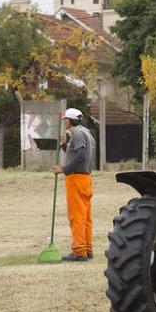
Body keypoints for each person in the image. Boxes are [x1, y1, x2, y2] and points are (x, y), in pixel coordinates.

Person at [52, 108, 95, 262]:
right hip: (85, 179)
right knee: (85, 217)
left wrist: (63, 169)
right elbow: (75, 155)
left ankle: (79, 252)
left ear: (70, 120)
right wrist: (64, 146)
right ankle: (87, 249)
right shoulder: (83, 132)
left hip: (76, 179)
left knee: (76, 217)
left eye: (65, 119)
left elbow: (81, 157)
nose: (64, 122)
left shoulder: (76, 134)